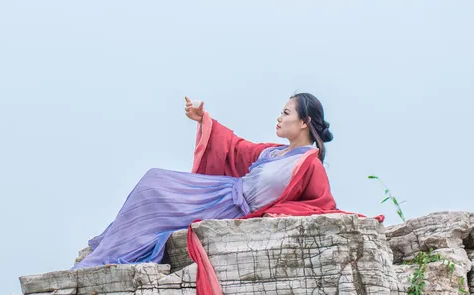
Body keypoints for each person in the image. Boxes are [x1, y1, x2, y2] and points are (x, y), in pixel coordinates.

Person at [74, 92, 339, 272]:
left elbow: (322, 205)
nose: (279, 117)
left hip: (229, 208)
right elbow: (235, 148)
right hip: (220, 193)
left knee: (155, 197)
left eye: (286, 113)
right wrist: (203, 118)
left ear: (304, 122)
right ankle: (108, 249)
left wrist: (275, 212)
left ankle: (112, 256)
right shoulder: (272, 152)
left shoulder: (309, 163)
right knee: (152, 182)